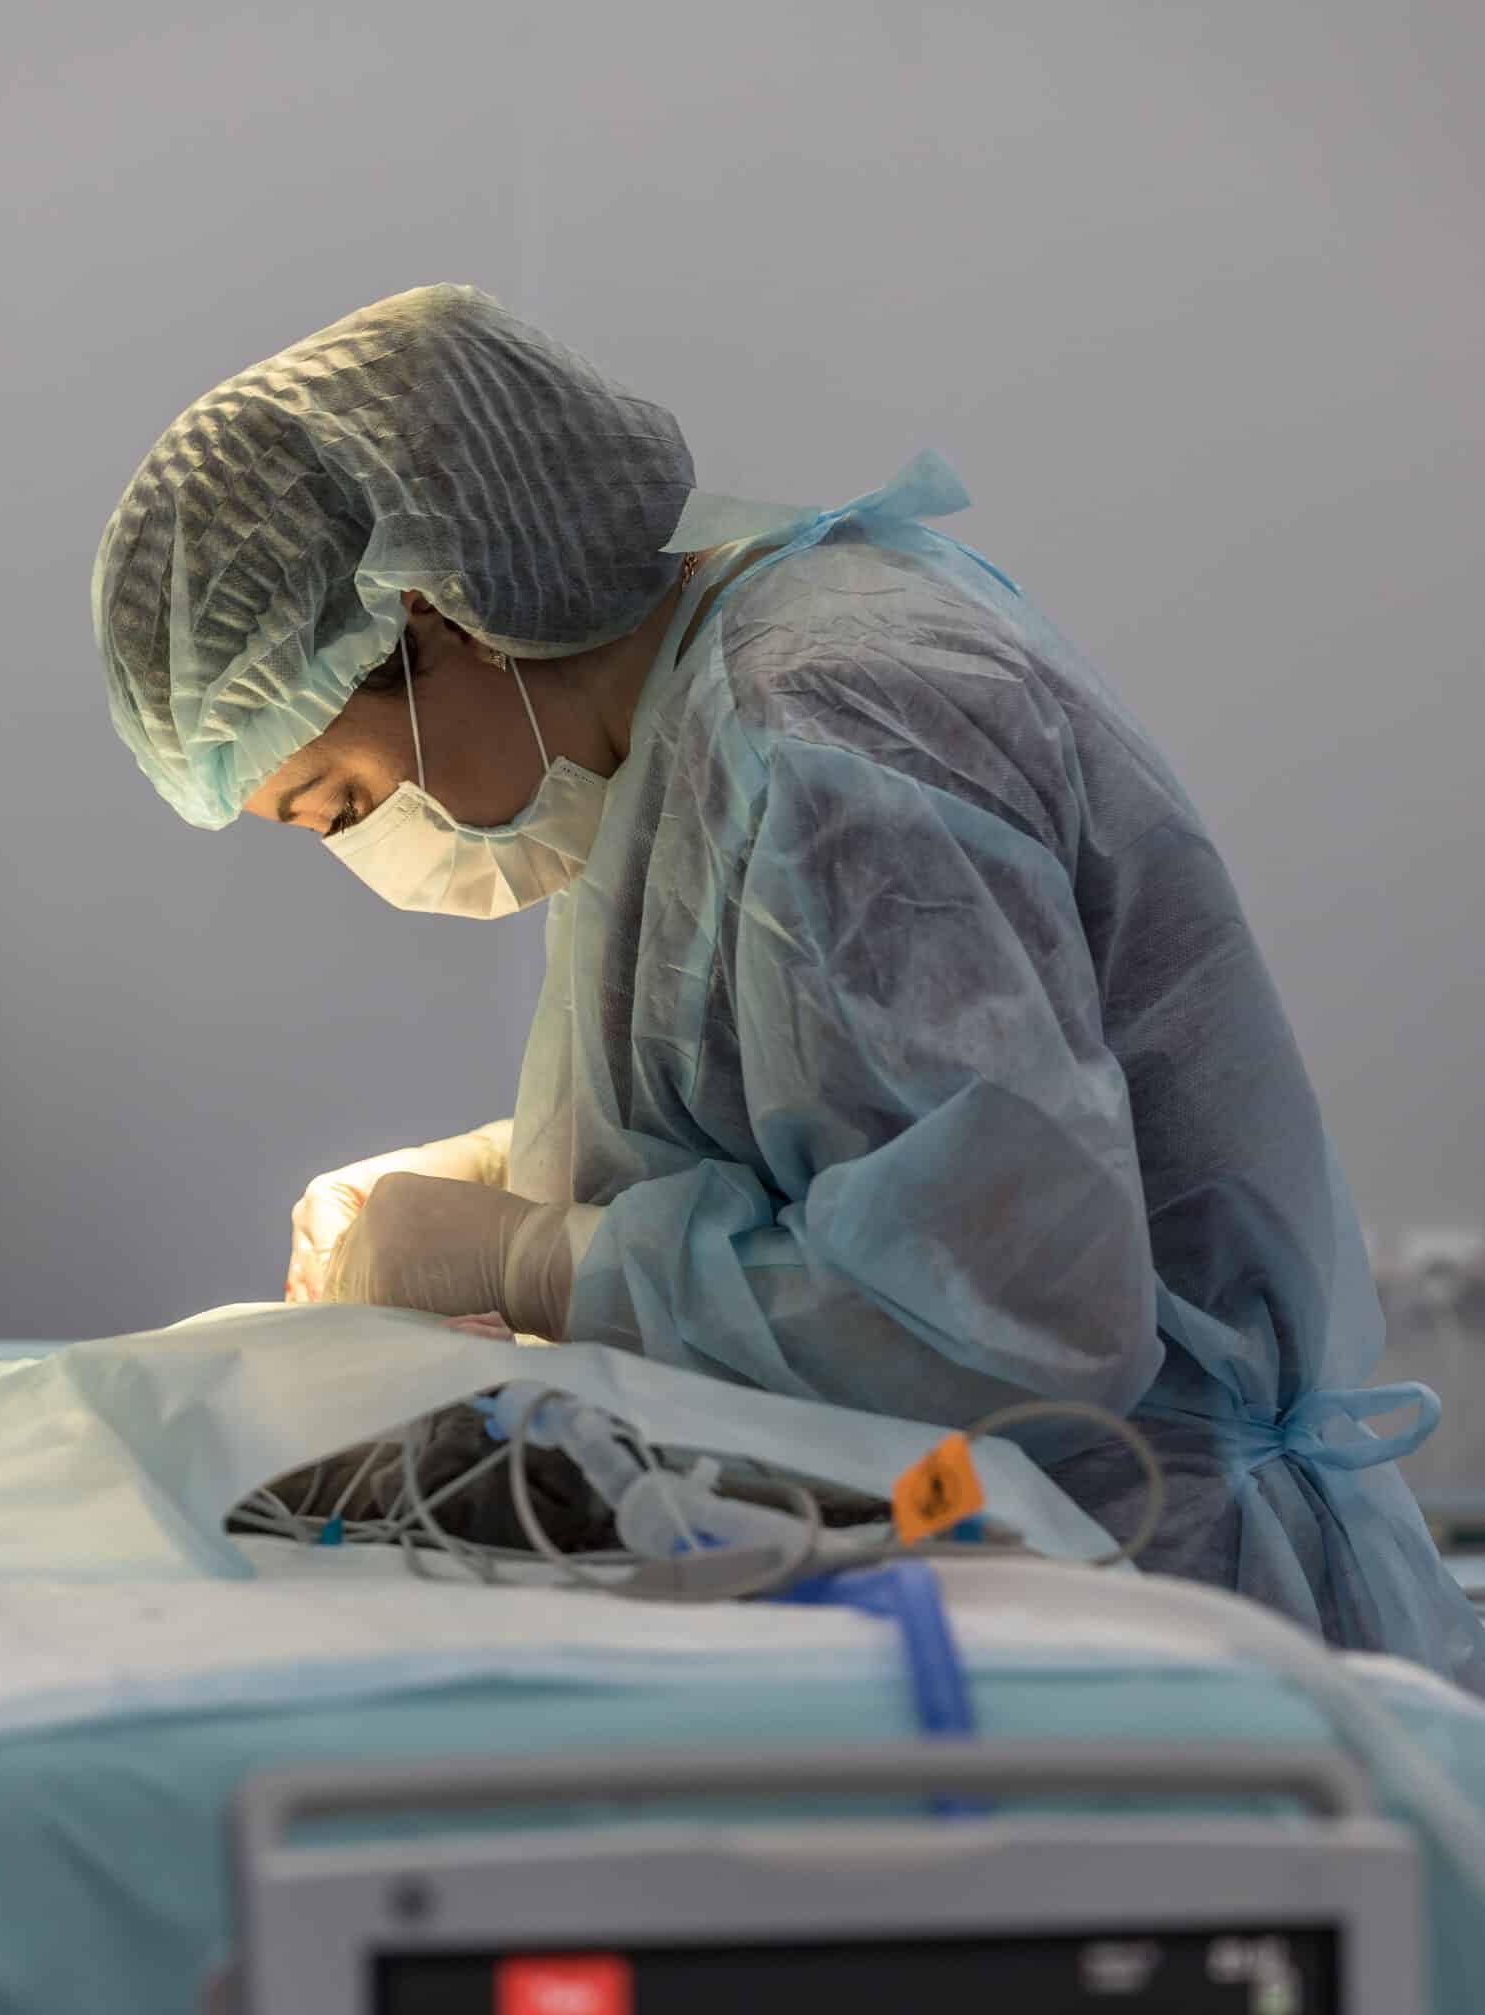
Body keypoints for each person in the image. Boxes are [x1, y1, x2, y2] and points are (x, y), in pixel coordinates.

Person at [94, 282, 1485, 1692]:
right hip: (1042, 1582)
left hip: (1146, 1606)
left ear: (432, 613)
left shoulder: (817, 739)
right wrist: (515, 1174)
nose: (379, 845)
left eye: (341, 800)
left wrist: (531, 1258)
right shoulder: (701, 721)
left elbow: (1005, 1315)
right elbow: (856, 1132)